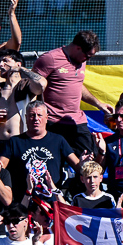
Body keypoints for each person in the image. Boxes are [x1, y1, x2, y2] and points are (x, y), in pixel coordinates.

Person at [27, 29, 101, 158]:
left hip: (76, 121)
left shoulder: (81, 60)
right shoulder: (50, 58)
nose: (88, 59)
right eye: (88, 56)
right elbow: (31, 86)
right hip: (53, 121)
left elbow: (77, 85)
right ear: (78, 48)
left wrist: (99, 104)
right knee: (51, 160)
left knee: (89, 159)